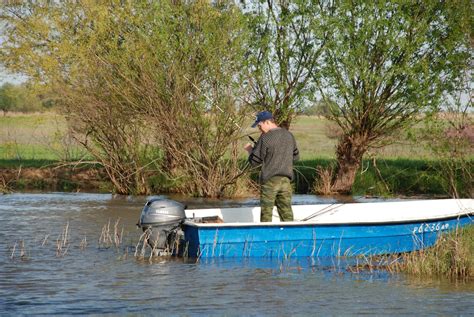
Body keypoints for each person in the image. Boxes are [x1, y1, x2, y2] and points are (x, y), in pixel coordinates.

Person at [244, 111, 299, 222]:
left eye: (260, 126)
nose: (259, 129)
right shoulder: (289, 135)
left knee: (266, 214)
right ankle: (290, 236)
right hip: (286, 181)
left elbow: (255, 162)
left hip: (270, 181)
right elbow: (296, 157)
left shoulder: (265, 138)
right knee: (287, 214)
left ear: (267, 122)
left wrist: (250, 150)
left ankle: (265, 237)